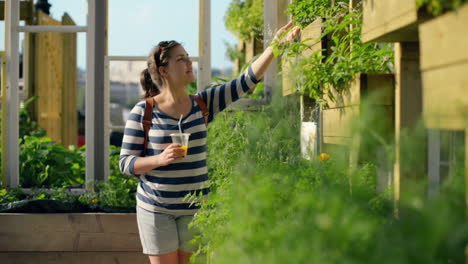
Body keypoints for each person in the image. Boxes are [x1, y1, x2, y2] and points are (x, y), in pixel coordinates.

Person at [119, 22, 300, 264]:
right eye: (181, 59)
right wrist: (159, 159)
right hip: (156, 207)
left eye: (188, 57)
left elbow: (244, 82)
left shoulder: (203, 104)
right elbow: (126, 163)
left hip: (196, 208)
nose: (189, 63)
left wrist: (274, 47)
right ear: (164, 70)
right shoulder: (144, 111)